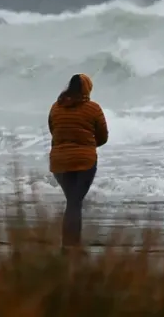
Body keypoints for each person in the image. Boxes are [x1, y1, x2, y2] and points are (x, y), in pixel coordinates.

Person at [48, 72, 108, 251]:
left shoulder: (55, 108)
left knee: (73, 201)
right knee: (75, 202)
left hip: (59, 162)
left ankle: (71, 243)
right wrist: (87, 145)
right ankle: (70, 244)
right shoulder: (93, 109)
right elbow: (103, 137)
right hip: (84, 162)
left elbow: (53, 131)